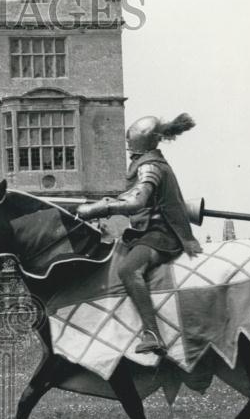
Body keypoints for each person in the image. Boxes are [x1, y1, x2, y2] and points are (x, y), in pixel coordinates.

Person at [76, 113, 202, 355]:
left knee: (128, 270)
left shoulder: (150, 166)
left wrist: (100, 208)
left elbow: (137, 200)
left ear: (140, 143)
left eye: (130, 141)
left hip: (161, 235)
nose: (127, 145)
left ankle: (152, 333)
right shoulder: (150, 162)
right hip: (145, 232)